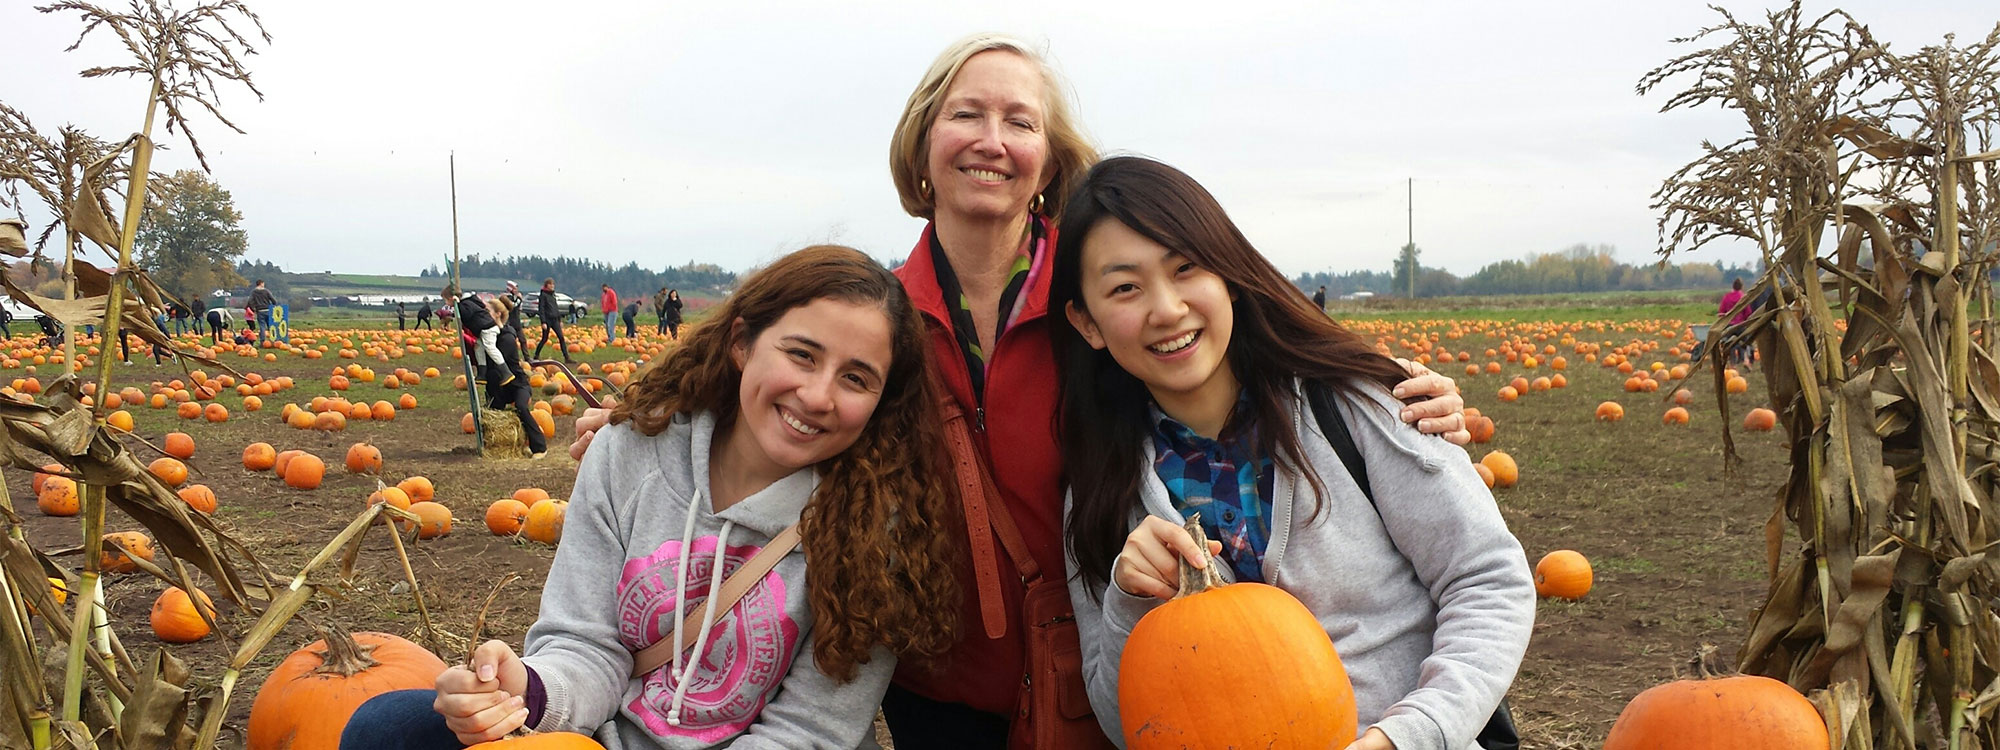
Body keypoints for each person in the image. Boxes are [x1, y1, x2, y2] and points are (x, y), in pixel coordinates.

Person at [571, 34, 1470, 747]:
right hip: (937, 685)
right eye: (967, 114)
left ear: (1049, 158)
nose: (992, 141)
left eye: (1021, 121)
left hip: (1109, 682)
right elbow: (772, 388)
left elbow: (1232, 347)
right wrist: (650, 416)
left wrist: (1398, 391)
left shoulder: (1099, 302)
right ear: (925, 140)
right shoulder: (877, 321)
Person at [340, 246, 964, 750]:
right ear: (743, 342)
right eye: (801, 355)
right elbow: (587, 642)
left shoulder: (878, 527)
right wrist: (527, 690)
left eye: (856, 378)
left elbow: (812, 730)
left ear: (882, 401)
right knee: (388, 729)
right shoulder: (632, 450)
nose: (818, 395)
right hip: (604, 735)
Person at [1053, 157, 1533, 750]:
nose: (1167, 308)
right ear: (1087, 322)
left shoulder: (1358, 407)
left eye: (1186, 268)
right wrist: (1129, 605)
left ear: (1226, 272)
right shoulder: (1101, 494)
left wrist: (1405, 738)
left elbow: (1488, 580)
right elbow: (1124, 725)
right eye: (1125, 287)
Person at [480, 297, 547, 459]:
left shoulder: (507, 337)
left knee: (521, 408)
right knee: (491, 411)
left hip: (517, 384)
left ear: (497, 314)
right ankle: (497, 447)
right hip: (498, 385)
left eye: (487, 311)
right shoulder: (488, 336)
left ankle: (540, 448)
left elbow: (496, 359)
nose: (484, 315)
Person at [449, 285, 509, 386]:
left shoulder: (466, 304)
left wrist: (458, 305)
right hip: (483, 330)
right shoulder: (471, 303)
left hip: (487, 328)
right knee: (478, 347)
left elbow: (466, 314)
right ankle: (482, 373)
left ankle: (505, 371)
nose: (446, 304)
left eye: (446, 301)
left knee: (490, 348)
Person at [533, 278, 574, 363]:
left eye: (553, 284)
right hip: (547, 320)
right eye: (551, 284)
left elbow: (555, 308)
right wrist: (543, 322)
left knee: (561, 338)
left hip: (555, 320)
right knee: (544, 339)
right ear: (546, 285)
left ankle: (567, 357)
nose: (552, 286)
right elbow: (541, 309)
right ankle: (536, 355)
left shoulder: (552, 295)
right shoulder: (543, 295)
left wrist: (559, 320)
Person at [504, 281, 529, 359]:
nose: (516, 290)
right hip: (509, 323)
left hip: (517, 323)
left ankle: (527, 357)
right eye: (514, 289)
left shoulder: (516, 297)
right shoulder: (506, 298)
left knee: (523, 340)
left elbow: (519, 308)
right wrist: (519, 299)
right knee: (512, 342)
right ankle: (512, 357)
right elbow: (512, 306)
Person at [248, 279, 277, 345]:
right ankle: (273, 340)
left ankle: (262, 342)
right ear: (261, 283)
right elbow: (273, 300)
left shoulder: (254, 292)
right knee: (271, 326)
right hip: (268, 310)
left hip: (260, 311)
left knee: (262, 326)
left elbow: (250, 301)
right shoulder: (266, 291)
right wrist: (274, 306)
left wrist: (253, 309)